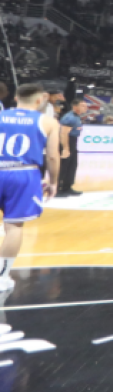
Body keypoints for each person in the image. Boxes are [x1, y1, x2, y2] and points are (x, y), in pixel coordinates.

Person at [0, 84, 62, 292]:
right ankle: (1, 277)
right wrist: (53, 182)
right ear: (40, 100)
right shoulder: (48, 122)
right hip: (23, 173)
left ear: (15, 97)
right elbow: (53, 156)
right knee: (13, 227)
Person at [56, 99, 87, 197]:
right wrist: (65, 148)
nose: (85, 107)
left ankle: (67, 187)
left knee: (72, 166)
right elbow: (63, 134)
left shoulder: (76, 117)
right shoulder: (69, 118)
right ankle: (58, 189)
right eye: (82, 105)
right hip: (67, 142)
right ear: (75, 107)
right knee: (63, 166)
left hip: (73, 142)